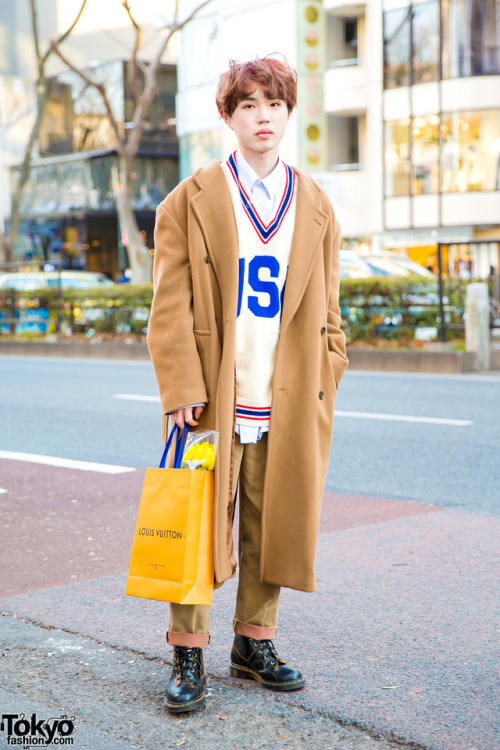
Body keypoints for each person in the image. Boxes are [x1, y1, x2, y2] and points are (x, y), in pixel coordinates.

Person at [147, 56, 348, 713]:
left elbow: (331, 310)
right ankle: (187, 653)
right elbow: (168, 306)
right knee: (199, 525)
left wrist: (330, 368)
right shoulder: (191, 199)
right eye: (249, 105)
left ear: (290, 112)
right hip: (210, 397)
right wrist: (180, 386)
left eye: (275, 104)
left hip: (287, 396)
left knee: (274, 525)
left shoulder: (314, 202)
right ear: (228, 116)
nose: (263, 116)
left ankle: (253, 642)